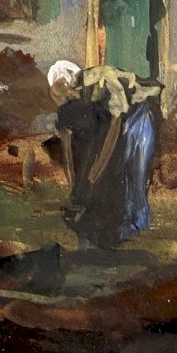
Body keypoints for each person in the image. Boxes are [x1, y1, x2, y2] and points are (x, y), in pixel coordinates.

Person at [47, 60, 160, 248]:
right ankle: (117, 227)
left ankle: (136, 225)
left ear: (72, 82)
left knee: (134, 172)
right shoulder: (71, 110)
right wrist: (76, 191)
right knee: (114, 174)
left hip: (139, 118)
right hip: (121, 121)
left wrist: (94, 175)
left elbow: (114, 125)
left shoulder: (102, 80)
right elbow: (69, 154)